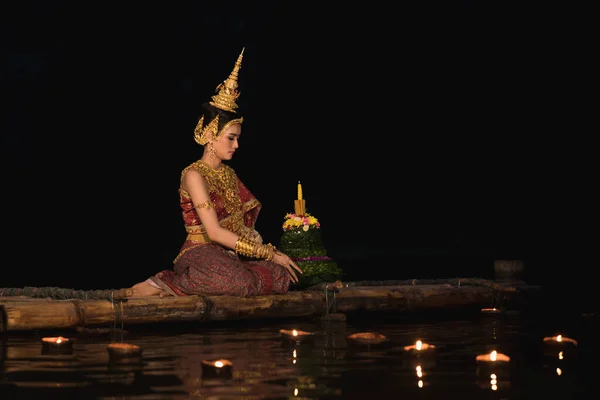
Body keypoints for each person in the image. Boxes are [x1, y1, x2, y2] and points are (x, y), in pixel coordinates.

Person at [129, 48, 302, 298]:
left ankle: (212, 280)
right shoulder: (193, 175)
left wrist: (271, 254)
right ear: (211, 135)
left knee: (279, 275)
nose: (236, 145)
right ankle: (166, 282)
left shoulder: (229, 174)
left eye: (238, 139)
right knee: (240, 282)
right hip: (198, 252)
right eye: (231, 138)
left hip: (226, 254)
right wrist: (268, 253)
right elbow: (214, 232)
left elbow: (240, 228)